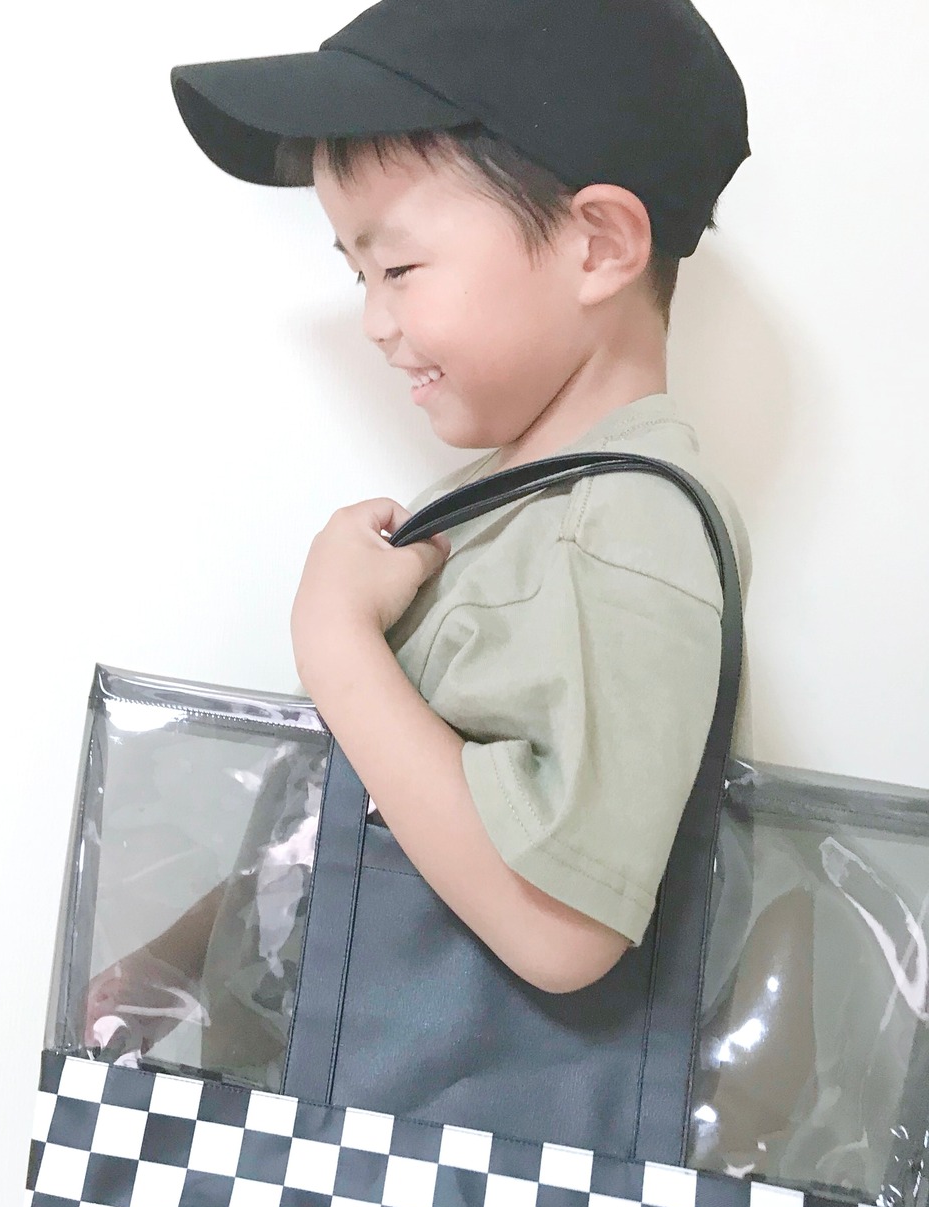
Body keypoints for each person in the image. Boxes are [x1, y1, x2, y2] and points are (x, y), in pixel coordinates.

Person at [86, 0, 753, 1072]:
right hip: (329, 1111)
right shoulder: (512, 507)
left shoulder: (621, 528)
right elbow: (390, 814)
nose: (374, 321)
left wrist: (336, 643)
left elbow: (562, 925)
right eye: (358, 276)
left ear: (598, 245)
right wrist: (185, 953)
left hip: (416, 1159)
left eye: (397, 269)